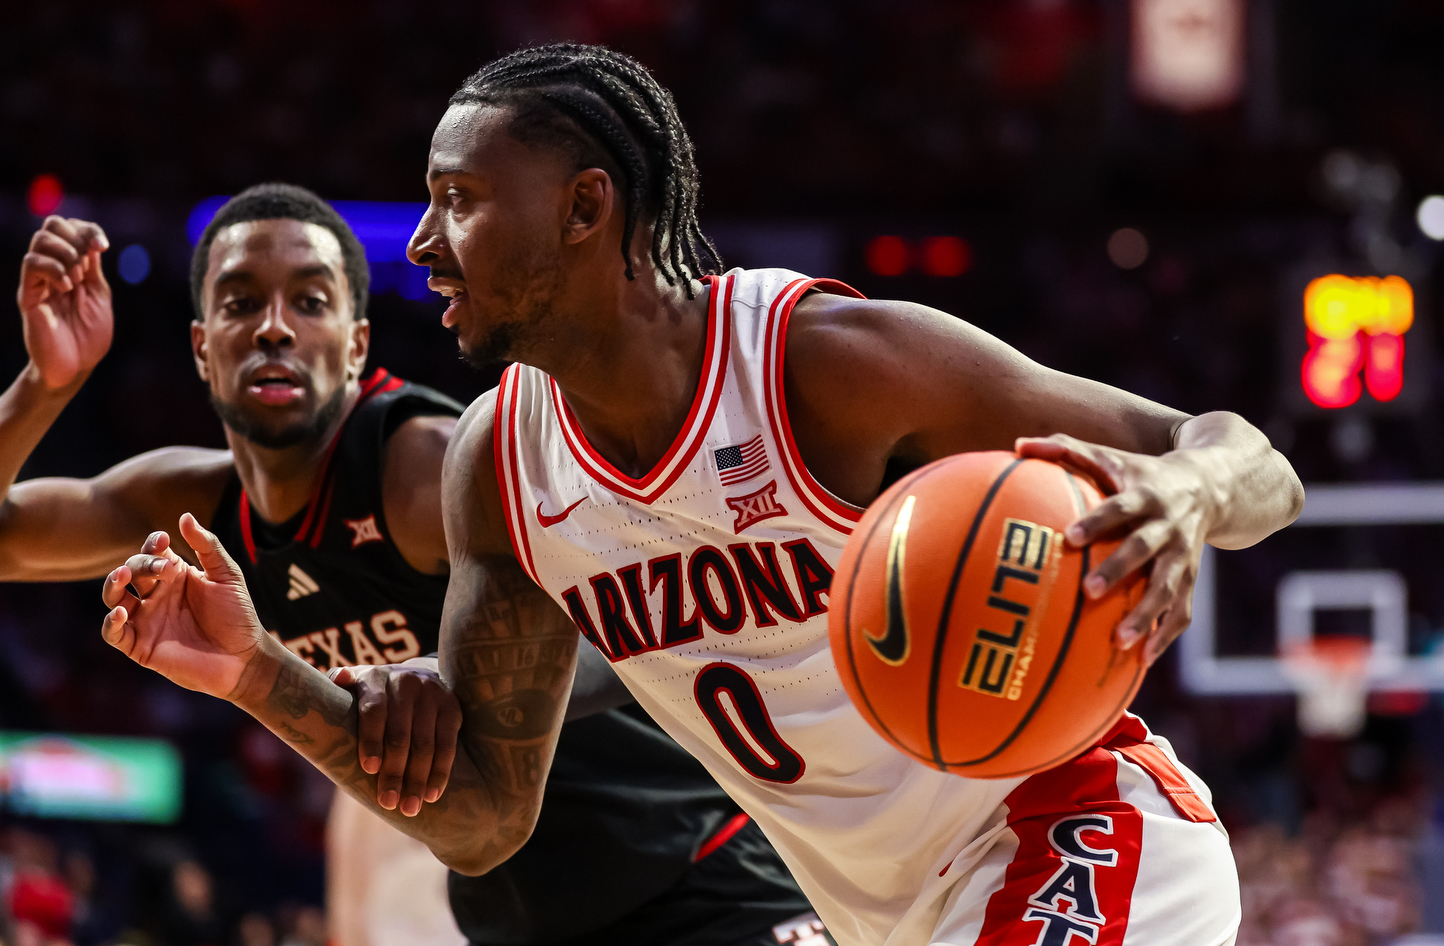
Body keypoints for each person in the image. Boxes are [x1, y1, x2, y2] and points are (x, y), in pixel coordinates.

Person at [101, 44, 1304, 946]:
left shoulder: (823, 365)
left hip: (1072, 835)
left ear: (585, 208)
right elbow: (481, 820)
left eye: (458, 197)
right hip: (878, 919)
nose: (421, 241)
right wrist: (258, 670)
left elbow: (1252, 458)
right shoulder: (502, 466)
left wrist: (1188, 491)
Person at [2, 187, 824, 946]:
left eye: (312, 301)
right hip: (515, 917)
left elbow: (654, 608)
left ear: (357, 344)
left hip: (698, 878)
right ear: (202, 349)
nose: (275, 327)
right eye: (241, 302)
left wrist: (461, 671)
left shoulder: (426, 468)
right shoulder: (191, 506)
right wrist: (46, 383)